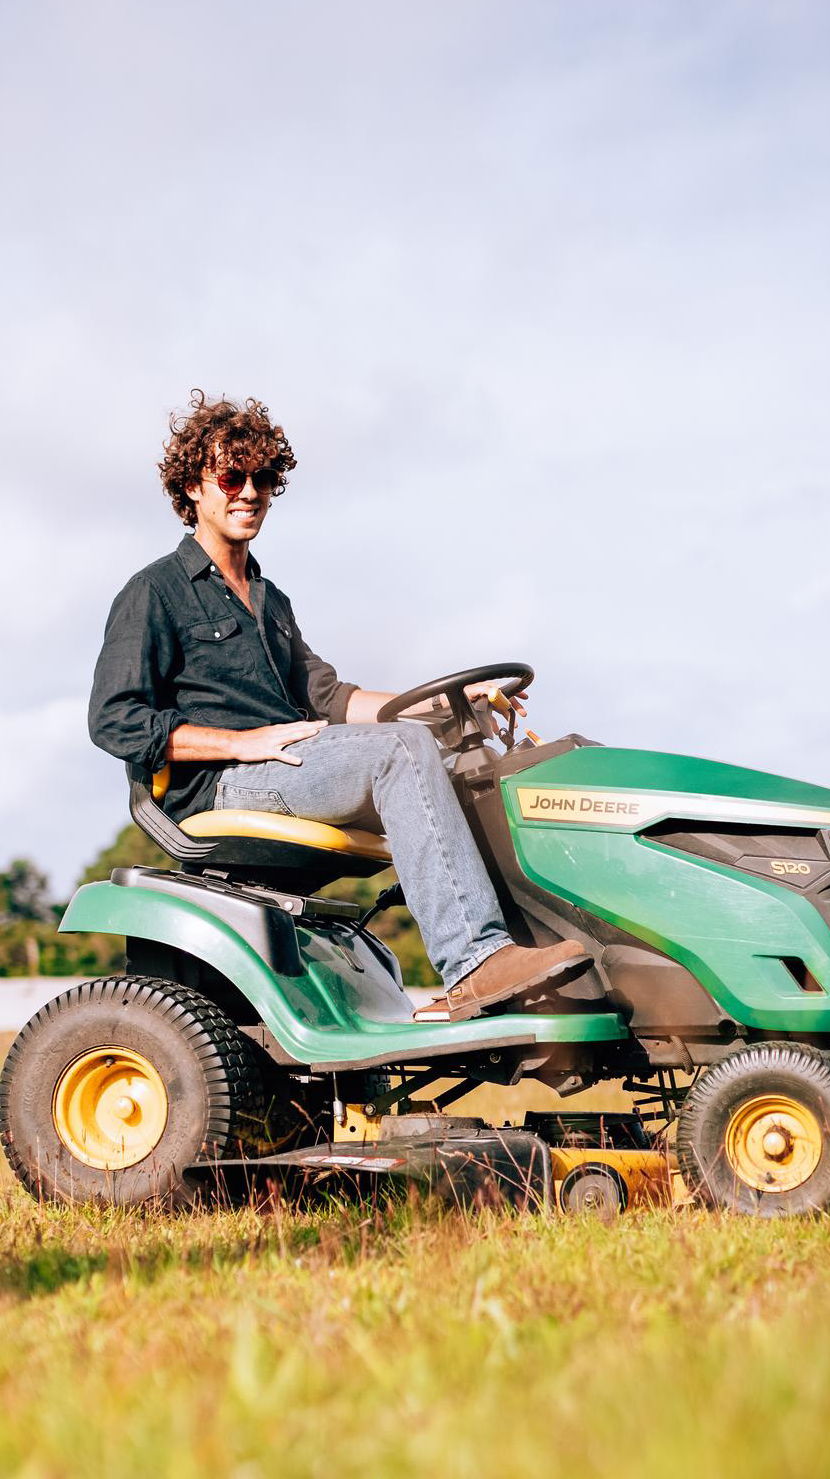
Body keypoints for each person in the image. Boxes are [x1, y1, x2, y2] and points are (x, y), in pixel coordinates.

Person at [88, 391, 588, 1019]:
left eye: (263, 478)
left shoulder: (270, 601)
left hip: (293, 764)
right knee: (400, 753)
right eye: (230, 476)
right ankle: (475, 960)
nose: (249, 491)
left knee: (469, 763)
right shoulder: (155, 591)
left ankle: (547, 954)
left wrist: (448, 703)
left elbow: (331, 698)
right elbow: (115, 720)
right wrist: (241, 743)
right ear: (192, 486)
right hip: (220, 786)